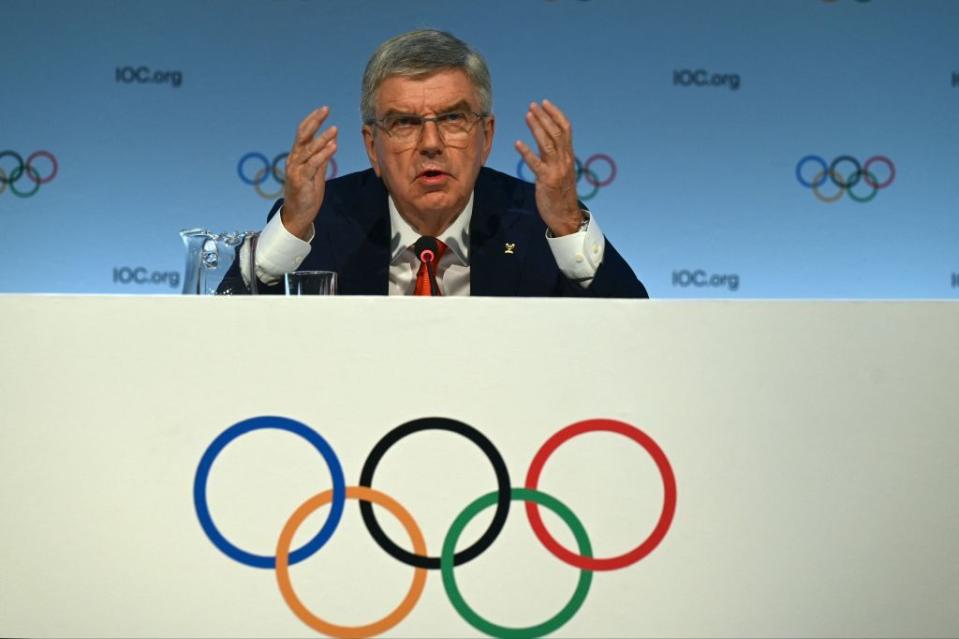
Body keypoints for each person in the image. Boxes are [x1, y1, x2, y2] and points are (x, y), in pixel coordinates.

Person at [242, 29, 647, 298]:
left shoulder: (540, 221)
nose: (430, 143)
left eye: (453, 119)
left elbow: (641, 336)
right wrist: (292, 228)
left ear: (486, 137)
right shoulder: (320, 220)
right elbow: (219, 331)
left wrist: (567, 227)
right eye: (404, 122)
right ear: (372, 147)